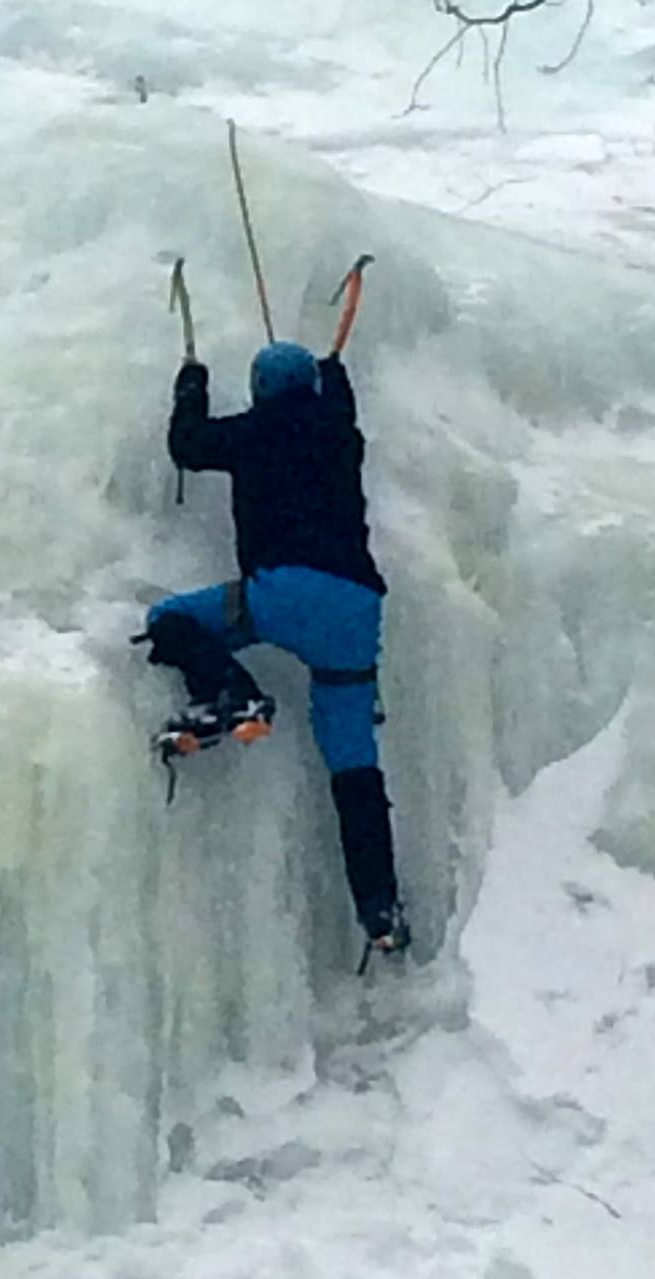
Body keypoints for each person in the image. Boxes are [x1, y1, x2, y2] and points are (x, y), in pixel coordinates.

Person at [133, 340, 409, 956]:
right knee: (353, 764)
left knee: (170, 620)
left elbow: (188, 445)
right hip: (356, 609)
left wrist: (191, 383)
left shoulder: (252, 431)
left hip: (281, 593)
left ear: (260, 390)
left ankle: (232, 693)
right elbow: (343, 408)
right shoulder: (342, 435)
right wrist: (336, 372)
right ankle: (380, 909)